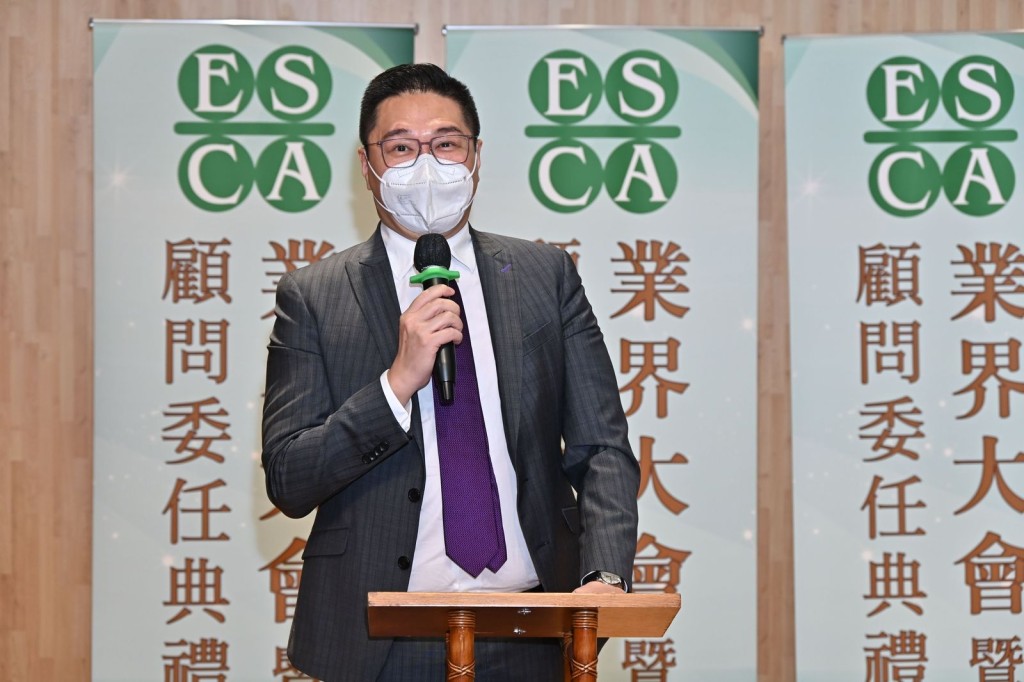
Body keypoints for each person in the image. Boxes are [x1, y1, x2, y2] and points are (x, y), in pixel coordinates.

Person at [261, 63, 639, 682]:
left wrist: (604, 574)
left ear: (476, 155)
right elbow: (289, 478)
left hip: (534, 626)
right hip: (381, 638)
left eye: (445, 144)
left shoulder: (545, 276)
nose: (426, 166)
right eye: (400, 148)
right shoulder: (314, 296)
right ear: (367, 165)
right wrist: (394, 386)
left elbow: (601, 446)